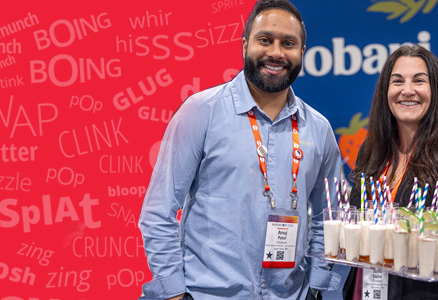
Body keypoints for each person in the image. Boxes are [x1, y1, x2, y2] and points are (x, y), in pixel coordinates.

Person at [139, 0, 343, 299]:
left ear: (301, 53)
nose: (275, 52)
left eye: (288, 43)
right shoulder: (201, 112)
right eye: (265, 40)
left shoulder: (319, 129)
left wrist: (316, 286)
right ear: (245, 45)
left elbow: (330, 217)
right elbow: (159, 212)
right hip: (206, 294)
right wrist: (174, 293)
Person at [336, 45, 438, 300]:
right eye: (397, 81)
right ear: (385, 91)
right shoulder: (371, 150)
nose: (407, 90)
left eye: (419, 81)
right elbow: (357, 222)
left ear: (436, 91)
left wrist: (413, 250)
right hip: (369, 290)